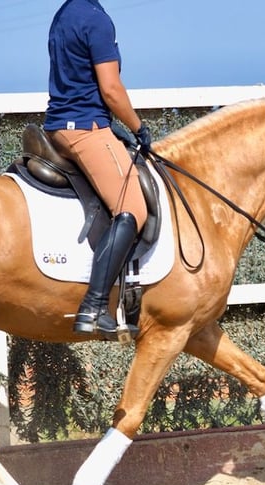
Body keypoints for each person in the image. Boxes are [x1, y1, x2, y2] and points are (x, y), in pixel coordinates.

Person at [44, 0, 152, 340]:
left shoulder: (64, 14)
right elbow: (111, 90)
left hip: (59, 125)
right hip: (85, 129)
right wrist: (138, 128)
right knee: (133, 207)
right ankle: (94, 304)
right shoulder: (96, 20)